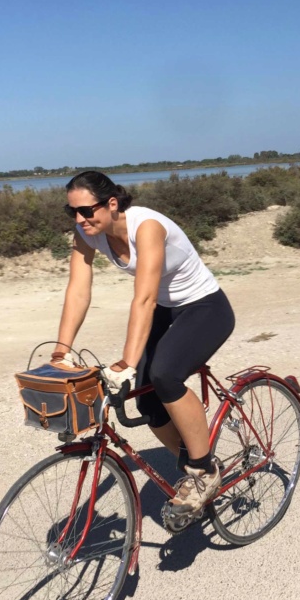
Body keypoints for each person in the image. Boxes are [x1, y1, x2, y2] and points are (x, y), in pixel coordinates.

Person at [53, 171, 235, 518]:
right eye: (72, 212)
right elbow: (78, 291)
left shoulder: (146, 226)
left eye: (86, 211)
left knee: (165, 374)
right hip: (166, 309)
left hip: (205, 307)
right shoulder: (87, 234)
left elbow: (145, 299)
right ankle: (193, 463)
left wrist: (126, 363)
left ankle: (204, 471)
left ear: (111, 204)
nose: (79, 219)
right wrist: (60, 352)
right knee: (148, 403)